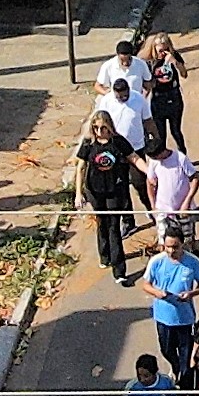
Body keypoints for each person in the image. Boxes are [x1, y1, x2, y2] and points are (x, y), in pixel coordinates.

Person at [77, 113, 150, 282]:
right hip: (94, 191)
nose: (99, 131)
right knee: (102, 223)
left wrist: (151, 174)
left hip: (114, 191)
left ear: (109, 126)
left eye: (103, 128)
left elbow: (134, 158)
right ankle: (105, 255)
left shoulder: (118, 142)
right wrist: (78, 193)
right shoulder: (89, 143)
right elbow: (80, 167)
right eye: (96, 128)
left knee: (113, 228)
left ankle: (119, 271)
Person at [145, 231, 199, 379]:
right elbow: (146, 285)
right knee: (166, 349)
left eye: (175, 247)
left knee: (185, 352)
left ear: (182, 244)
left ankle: (184, 382)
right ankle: (176, 367)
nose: (171, 251)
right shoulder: (156, 261)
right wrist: (157, 293)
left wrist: (191, 294)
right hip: (163, 316)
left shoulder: (193, 262)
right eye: (168, 247)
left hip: (184, 317)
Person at [143, 34, 189, 159]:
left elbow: (184, 74)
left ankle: (183, 157)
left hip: (174, 98)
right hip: (158, 99)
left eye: (165, 49)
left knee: (176, 131)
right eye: (160, 50)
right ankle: (162, 160)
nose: (163, 53)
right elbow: (148, 84)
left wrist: (175, 62)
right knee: (160, 133)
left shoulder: (174, 56)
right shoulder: (150, 62)